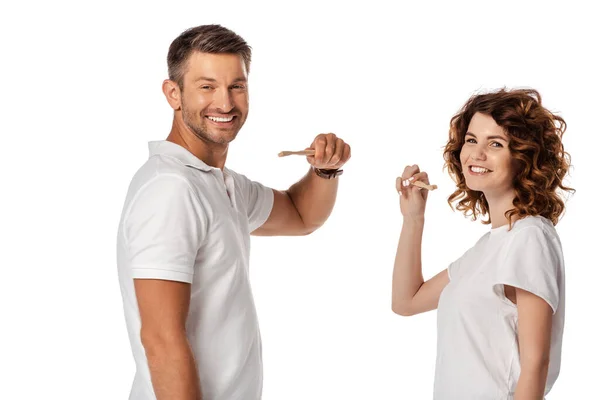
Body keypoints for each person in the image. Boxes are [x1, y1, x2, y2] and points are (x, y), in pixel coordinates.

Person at [116, 24, 351, 400]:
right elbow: (160, 340)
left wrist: (324, 170)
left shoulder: (219, 183)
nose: (225, 104)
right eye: (207, 86)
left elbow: (301, 215)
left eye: (236, 86)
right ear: (173, 94)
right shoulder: (171, 190)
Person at [391, 88, 573, 399]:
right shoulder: (488, 248)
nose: (476, 154)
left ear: (524, 158)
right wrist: (413, 218)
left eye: (496, 144)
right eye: (472, 140)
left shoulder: (529, 237)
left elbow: (536, 365)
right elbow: (406, 302)